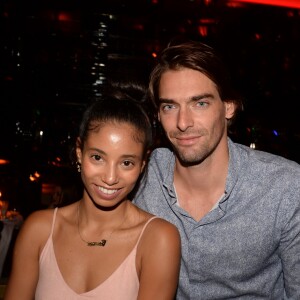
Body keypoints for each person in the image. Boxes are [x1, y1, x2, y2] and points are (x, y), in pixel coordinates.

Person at [133, 40, 300, 299]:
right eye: (170, 106)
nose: (183, 122)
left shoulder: (285, 187)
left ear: (228, 107)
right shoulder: (140, 176)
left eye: (200, 103)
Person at [4, 82, 181, 300]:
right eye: (97, 157)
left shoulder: (158, 240)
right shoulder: (39, 230)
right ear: (79, 152)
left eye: (126, 163)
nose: (110, 178)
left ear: (143, 163)